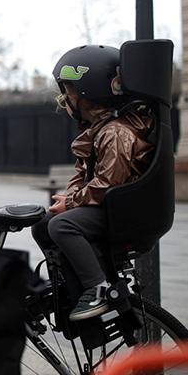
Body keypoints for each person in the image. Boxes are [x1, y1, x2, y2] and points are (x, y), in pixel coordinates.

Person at [32, 44, 154, 321]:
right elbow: (82, 173)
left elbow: (109, 181)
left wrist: (72, 204)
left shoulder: (115, 132)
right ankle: (72, 285)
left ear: (89, 92)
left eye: (69, 92)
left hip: (124, 212)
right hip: (109, 208)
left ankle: (97, 288)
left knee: (63, 225)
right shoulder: (97, 131)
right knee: (44, 223)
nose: (65, 99)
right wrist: (68, 198)